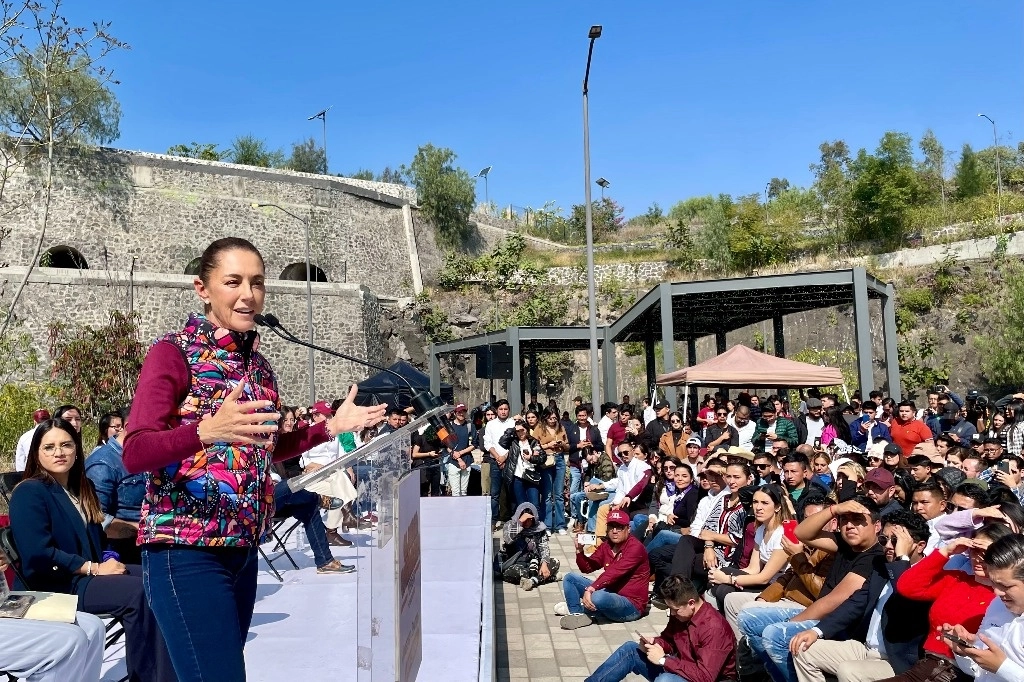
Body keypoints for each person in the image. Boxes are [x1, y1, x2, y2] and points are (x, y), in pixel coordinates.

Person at [121, 237, 385, 682]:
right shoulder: (173, 353)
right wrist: (206, 430)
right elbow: (135, 451)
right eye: (233, 281)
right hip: (186, 549)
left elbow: (263, 448)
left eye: (257, 282)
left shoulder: (258, 367)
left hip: (242, 550)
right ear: (202, 289)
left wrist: (328, 428)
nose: (248, 293)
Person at [10, 418, 176, 682]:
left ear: (76, 449)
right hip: (55, 585)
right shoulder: (30, 492)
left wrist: (108, 560)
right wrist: (96, 569)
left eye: (66, 445)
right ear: (36, 454)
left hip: (85, 575)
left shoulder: (79, 488)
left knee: (157, 578)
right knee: (139, 593)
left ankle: (170, 673)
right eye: (49, 447)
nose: (59, 452)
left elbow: (97, 539)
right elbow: (38, 554)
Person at [738, 496, 887, 682]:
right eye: (845, 520)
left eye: (857, 521)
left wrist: (791, 623)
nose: (849, 526)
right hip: (816, 611)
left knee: (774, 634)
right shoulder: (844, 544)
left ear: (877, 526)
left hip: (836, 625)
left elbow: (832, 602)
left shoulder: (873, 558)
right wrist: (834, 510)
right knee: (748, 619)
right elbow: (802, 533)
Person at [585, 576, 737, 682]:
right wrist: (656, 643)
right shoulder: (681, 614)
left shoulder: (714, 628)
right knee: (630, 650)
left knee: (665, 680)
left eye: (675, 609)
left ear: (691, 603)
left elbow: (705, 677)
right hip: (683, 669)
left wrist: (663, 660)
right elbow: (669, 640)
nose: (672, 613)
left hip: (705, 678)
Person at [945, 534, 1024, 682]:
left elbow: (997, 668)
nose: (996, 592)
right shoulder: (996, 605)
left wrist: (1003, 667)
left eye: (1006, 586)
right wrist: (964, 652)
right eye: (994, 583)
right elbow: (979, 672)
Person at [555, 509, 650, 630]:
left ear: (628, 529)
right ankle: (577, 614)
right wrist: (579, 551)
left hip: (631, 605)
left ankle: (587, 610)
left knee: (597, 597)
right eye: (611, 527)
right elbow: (587, 568)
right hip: (610, 592)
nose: (614, 531)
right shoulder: (607, 545)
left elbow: (614, 572)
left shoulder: (635, 548)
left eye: (619, 527)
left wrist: (590, 589)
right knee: (570, 578)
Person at [707, 483, 793, 611]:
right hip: (763, 579)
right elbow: (753, 568)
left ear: (777, 507)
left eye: (765, 503)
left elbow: (764, 578)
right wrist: (721, 574)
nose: (758, 507)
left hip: (777, 586)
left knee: (724, 589)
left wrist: (729, 579)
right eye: (755, 502)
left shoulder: (782, 534)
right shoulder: (761, 529)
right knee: (716, 580)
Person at [84, 407, 147, 564]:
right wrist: (147, 530)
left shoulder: (148, 457)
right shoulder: (103, 464)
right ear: (129, 427)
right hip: (123, 554)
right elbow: (97, 520)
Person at [497, 502, 559, 591]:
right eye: (524, 519)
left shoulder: (539, 529)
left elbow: (544, 547)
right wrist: (520, 523)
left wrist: (544, 564)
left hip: (534, 562)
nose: (526, 522)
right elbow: (508, 539)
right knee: (511, 573)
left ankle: (533, 581)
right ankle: (544, 578)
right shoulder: (510, 525)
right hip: (515, 564)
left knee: (555, 562)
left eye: (529, 519)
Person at [484, 399, 516, 530]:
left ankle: (512, 519)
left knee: (511, 492)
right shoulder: (491, 424)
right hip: (494, 461)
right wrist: (498, 457)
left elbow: (515, 443)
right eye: (501, 409)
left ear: (509, 410)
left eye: (506, 409)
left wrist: (504, 457)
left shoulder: (513, 423)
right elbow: (488, 443)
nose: (503, 411)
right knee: (495, 493)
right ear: (497, 410)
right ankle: (493, 520)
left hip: (510, 461)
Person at [535, 408, 569, 532]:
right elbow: (535, 446)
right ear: (545, 417)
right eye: (550, 418)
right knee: (547, 494)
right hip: (547, 460)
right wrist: (548, 445)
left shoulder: (560, 427)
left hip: (559, 458)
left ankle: (560, 524)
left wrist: (562, 444)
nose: (553, 420)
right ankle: (547, 524)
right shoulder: (539, 428)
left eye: (555, 418)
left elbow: (567, 445)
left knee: (559, 494)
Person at [500, 418, 544, 511]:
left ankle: (534, 524)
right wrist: (512, 429)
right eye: (518, 431)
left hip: (531, 476)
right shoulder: (513, 442)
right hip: (517, 476)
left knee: (535, 504)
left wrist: (531, 458)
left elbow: (542, 458)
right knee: (521, 505)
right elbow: (502, 442)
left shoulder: (534, 442)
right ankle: (523, 524)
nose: (520, 433)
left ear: (527, 430)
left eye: (522, 430)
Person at [446, 404, 476, 497]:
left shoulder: (470, 426)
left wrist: (460, 453)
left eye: (463, 411)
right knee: (455, 492)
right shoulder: (449, 426)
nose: (461, 414)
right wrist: (457, 457)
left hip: (467, 461)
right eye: (459, 411)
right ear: (455, 413)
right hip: (453, 461)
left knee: (463, 491)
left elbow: (474, 444)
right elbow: (446, 444)